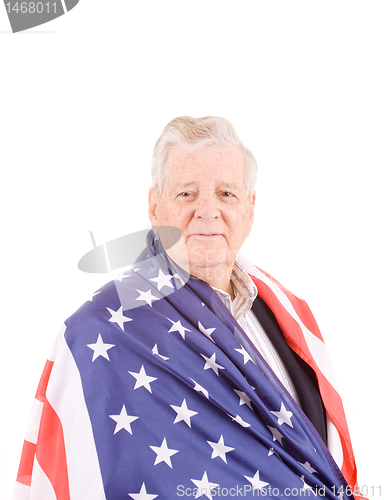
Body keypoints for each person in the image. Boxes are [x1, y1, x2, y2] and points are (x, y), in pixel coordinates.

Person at [13, 117, 364, 500]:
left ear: (250, 209)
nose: (207, 211)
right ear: (154, 206)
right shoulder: (98, 333)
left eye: (226, 194)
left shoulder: (290, 315)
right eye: (186, 194)